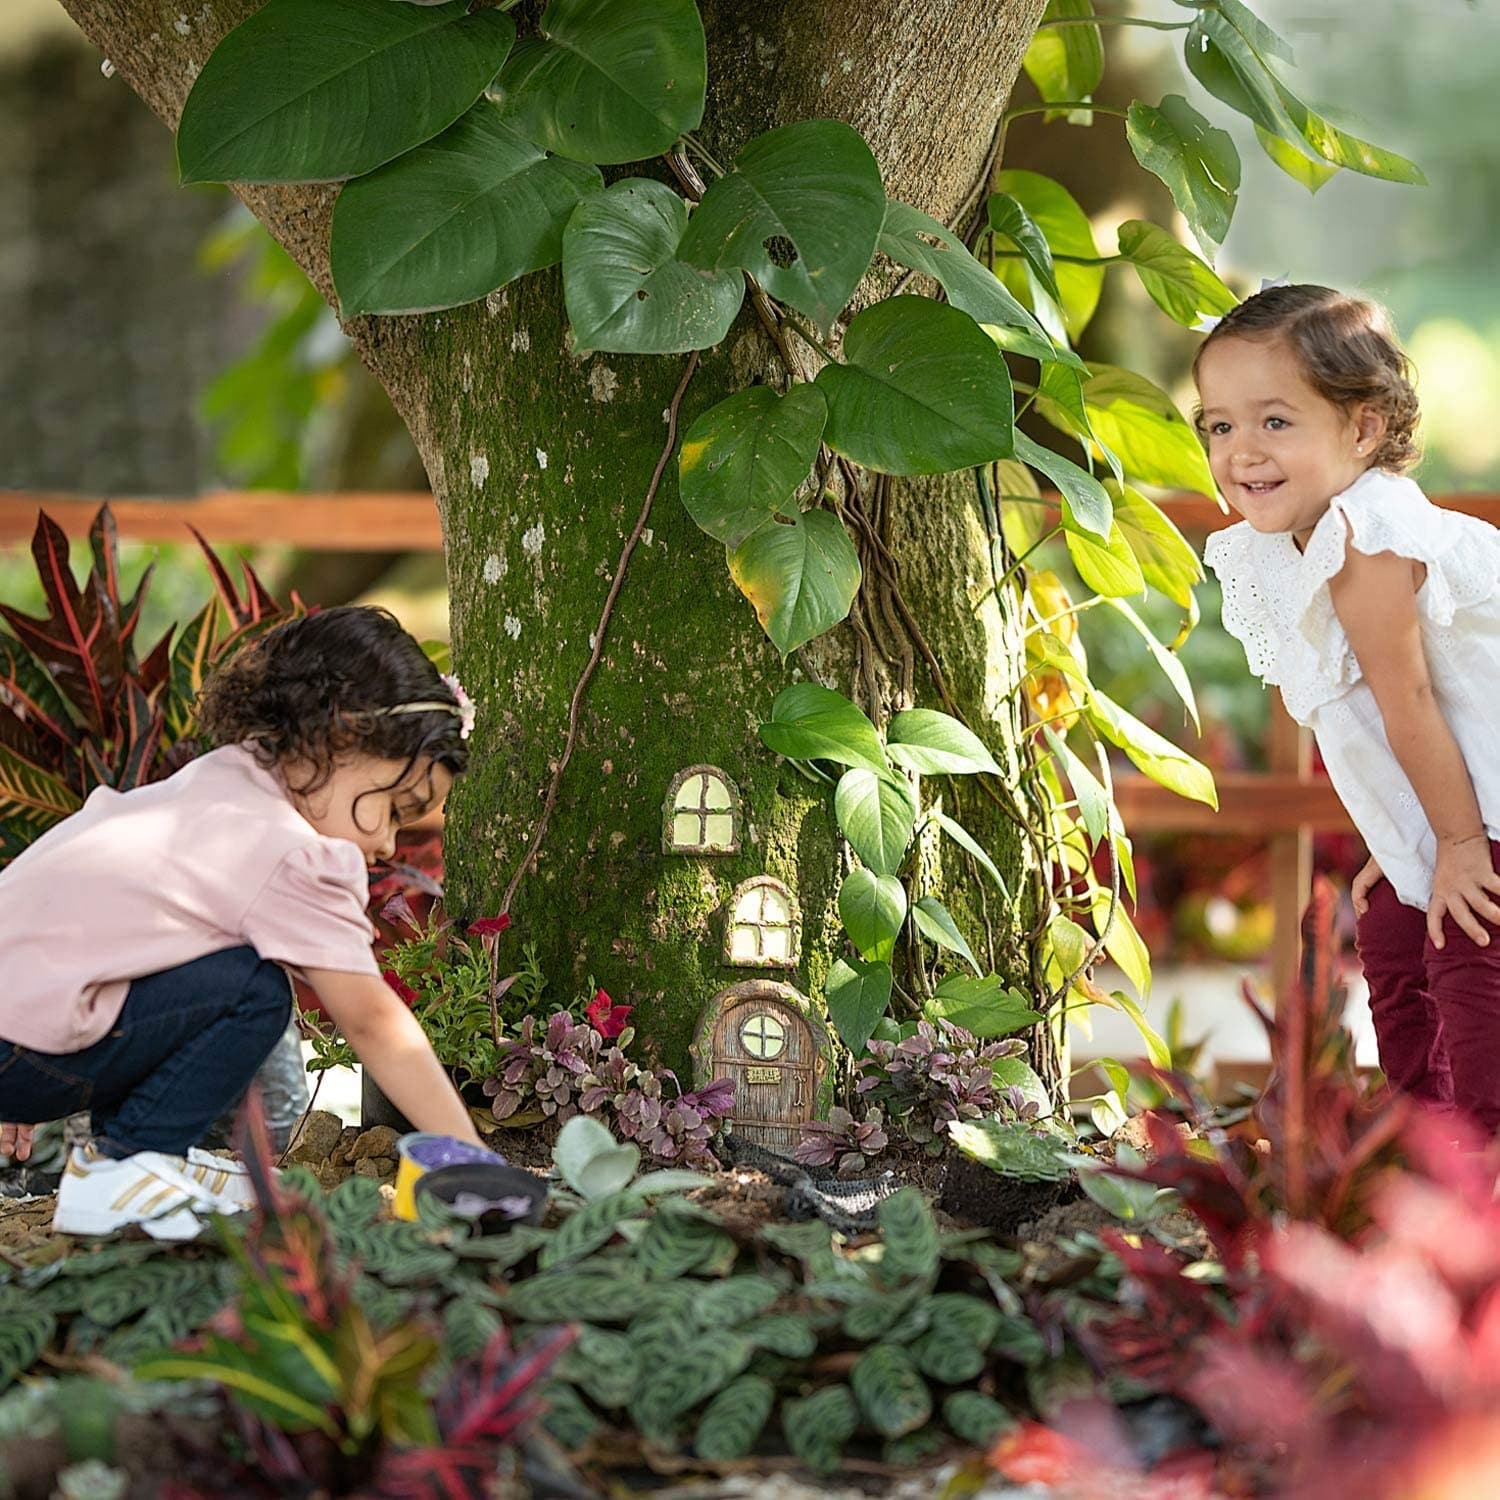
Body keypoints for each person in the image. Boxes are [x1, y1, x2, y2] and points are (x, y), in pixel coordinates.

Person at [0, 605, 487, 1237]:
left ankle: (137, 1161)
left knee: (215, 970)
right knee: (253, 988)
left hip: (20, 1036)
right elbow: (371, 1019)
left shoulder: (218, 782)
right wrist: (471, 1158)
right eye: (396, 809)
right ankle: (129, 1169)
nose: (392, 845)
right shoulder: (292, 849)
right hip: (22, 1052)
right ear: (337, 738)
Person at [1199, 282, 1500, 1134]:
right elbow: (1372, 715)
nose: (1242, 451)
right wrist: (1401, 841)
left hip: (1486, 807)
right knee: (1394, 943)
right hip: (1459, 800)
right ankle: (1417, 1149)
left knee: (1473, 968)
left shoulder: (1367, 537)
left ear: (1363, 427)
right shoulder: (1296, 536)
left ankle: (1478, 1169)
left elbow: (1407, 698)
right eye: (1220, 425)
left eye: (1275, 421)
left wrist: (1455, 844)